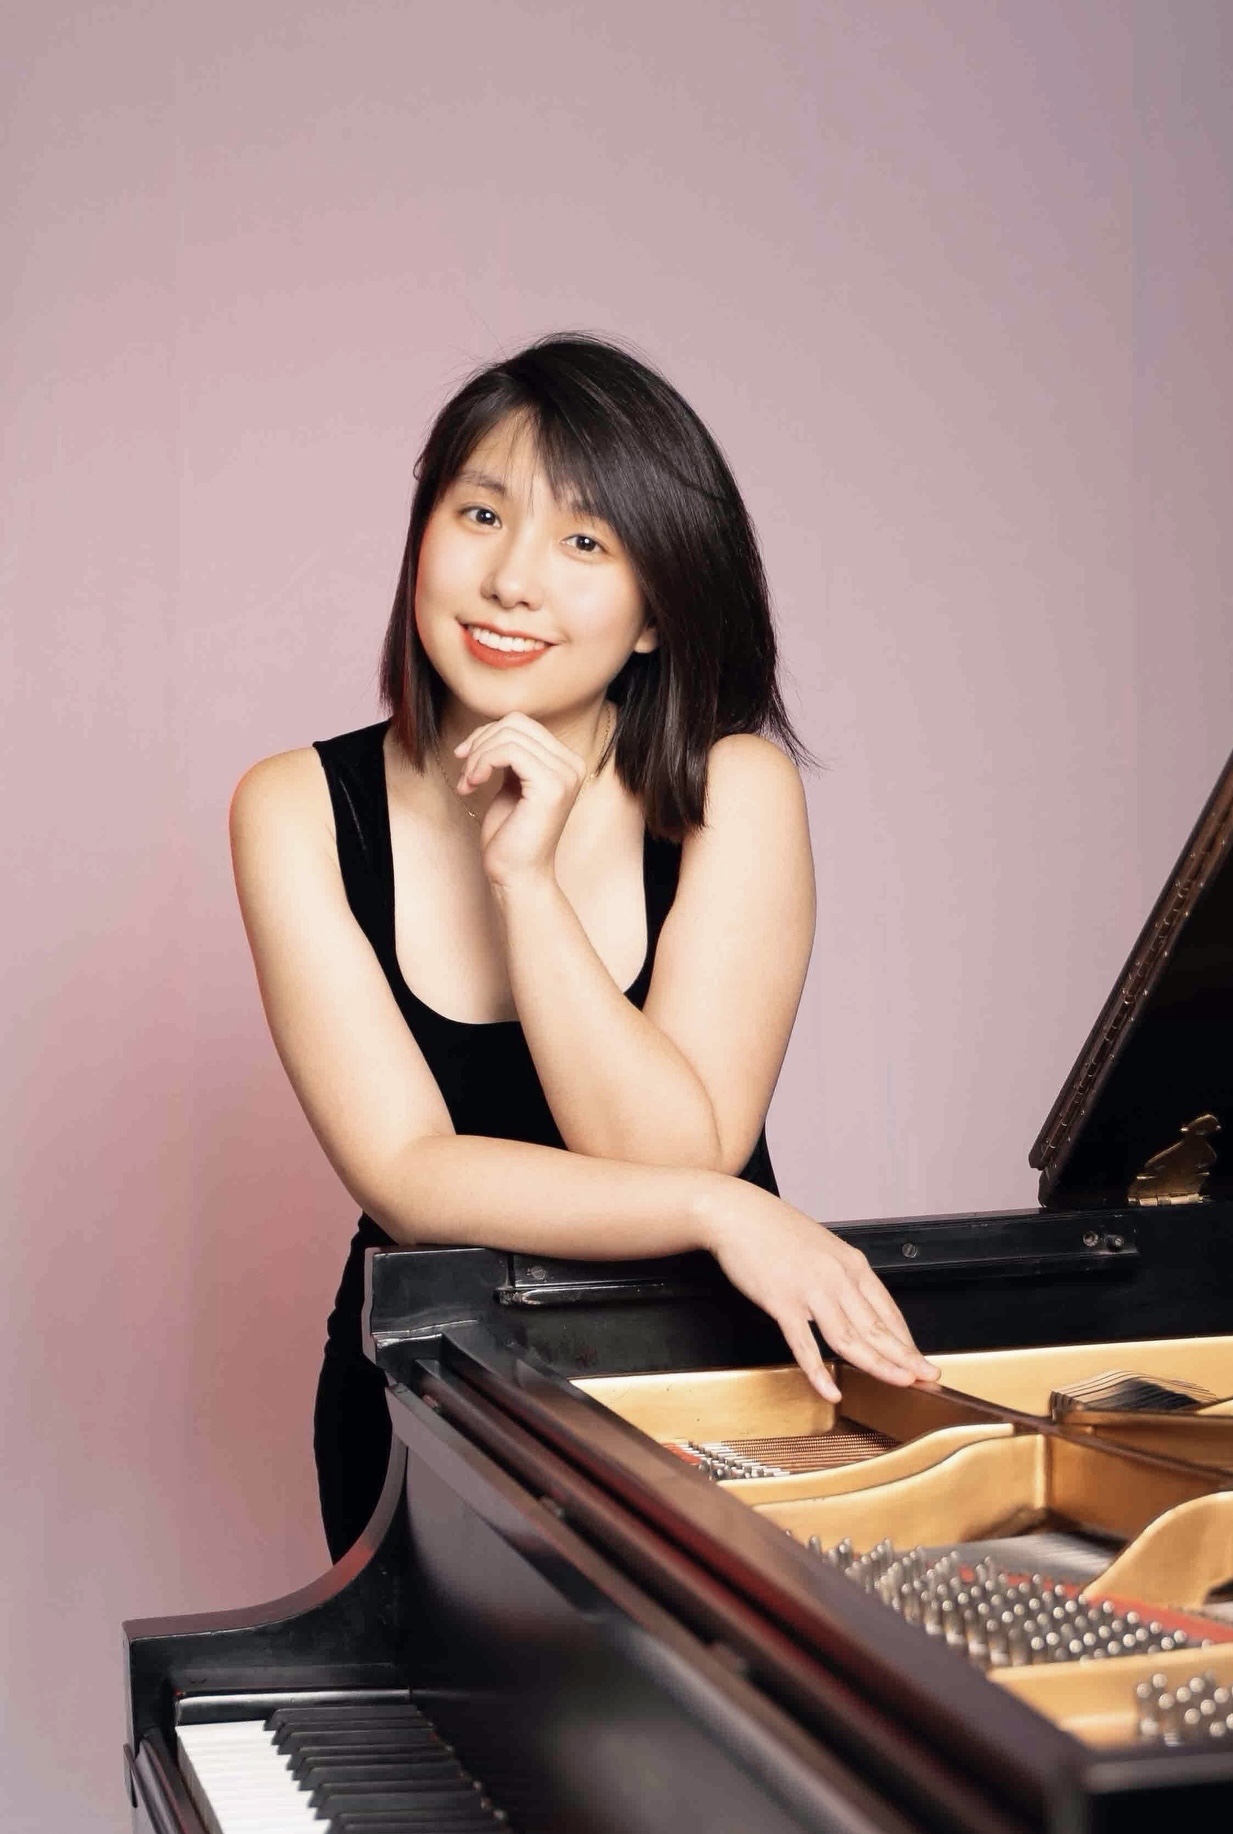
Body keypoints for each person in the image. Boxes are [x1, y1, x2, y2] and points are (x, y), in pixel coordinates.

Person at [231, 334, 937, 1559]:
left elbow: (672, 1146)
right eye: (481, 513)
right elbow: (407, 1174)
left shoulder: (737, 785)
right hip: (434, 1393)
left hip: (706, 1381)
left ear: (657, 611)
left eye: (584, 543)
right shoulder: (293, 808)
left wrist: (527, 885)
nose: (512, 579)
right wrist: (725, 1213)